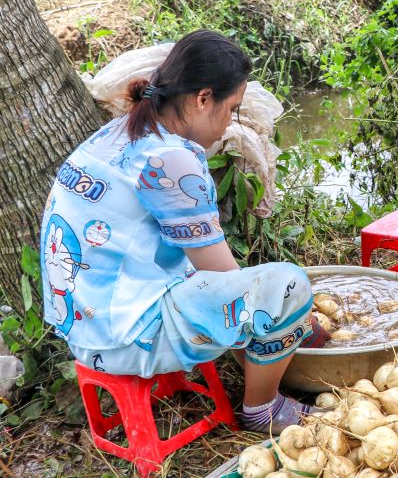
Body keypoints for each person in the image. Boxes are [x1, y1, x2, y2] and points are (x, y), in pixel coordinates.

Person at [40, 30, 329, 432]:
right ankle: (262, 409)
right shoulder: (170, 161)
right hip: (125, 338)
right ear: (202, 98)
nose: (232, 122)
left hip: (85, 324)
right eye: (232, 109)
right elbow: (224, 278)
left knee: (226, 280)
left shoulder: (120, 132)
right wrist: (296, 322)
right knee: (286, 288)